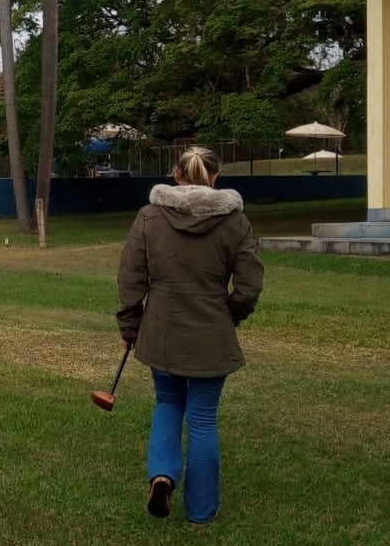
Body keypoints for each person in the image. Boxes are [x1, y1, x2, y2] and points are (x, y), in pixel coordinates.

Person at [116, 146, 264, 526]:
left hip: (161, 330)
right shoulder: (236, 222)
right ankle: (200, 510)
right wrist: (229, 315)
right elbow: (249, 285)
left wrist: (130, 325)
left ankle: (162, 475)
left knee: (167, 403)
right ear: (216, 176)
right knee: (202, 418)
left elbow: (130, 277)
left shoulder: (149, 217)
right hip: (211, 332)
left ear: (176, 174)